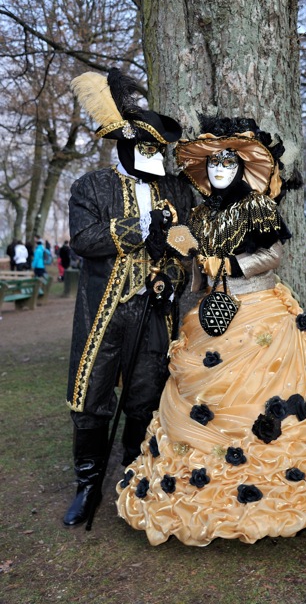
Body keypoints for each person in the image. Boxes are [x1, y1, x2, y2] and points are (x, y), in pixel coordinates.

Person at [116, 117, 306, 546]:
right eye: (214, 166)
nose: (220, 172)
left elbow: (273, 253)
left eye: (228, 164)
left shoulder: (258, 205)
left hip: (260, 309)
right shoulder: (201, 214)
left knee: (271, 393)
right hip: (211, 316)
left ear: (240, 168)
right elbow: (199, 271)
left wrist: (232, 265)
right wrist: (189, 260)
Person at [62, 68, 194, 527]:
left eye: (159, 150)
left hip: (155, 313)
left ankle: (135, 476)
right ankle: (87, 485)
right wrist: (137, 231)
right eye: (146, 148)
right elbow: (85, 239)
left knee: (146, 395)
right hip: (104, 311)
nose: (154, 157)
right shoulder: (91, 187)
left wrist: (170, 269)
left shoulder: (176, 189)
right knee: (92, 395)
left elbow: (186, 248)